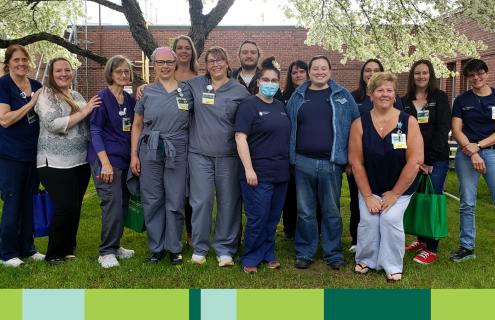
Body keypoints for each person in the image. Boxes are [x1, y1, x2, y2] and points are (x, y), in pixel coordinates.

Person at [286, 55, 359, 270]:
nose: (319, 72)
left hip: (332, 163)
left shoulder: (342, 95)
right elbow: (289, 125)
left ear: (330, 70)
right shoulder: (298, 96)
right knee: (305, 211)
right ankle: (305, 252)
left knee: (332, 211)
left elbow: (356, 127)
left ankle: (333, 253)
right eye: (315, 68)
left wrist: (350, 158)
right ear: (309, 72)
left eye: (323, 68)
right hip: (302, 162)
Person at [349, 72, 423, 282]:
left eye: (389, 90)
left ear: (395, 94)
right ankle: (365, 259)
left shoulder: (408, 122)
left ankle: (392, 265)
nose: (385, 94)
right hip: (371, 186)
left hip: (400, 187)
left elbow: (415, 161)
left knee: (389, 219)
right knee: (369, 219)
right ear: (371, 94)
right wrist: (368, 196)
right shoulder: (359, 124)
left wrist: (394, 194)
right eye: (380, 90)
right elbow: (356, 163)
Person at [187, 47, 250, 266]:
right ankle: (200, 247)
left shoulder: (239, 91)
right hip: (199, 155)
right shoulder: (195, 85)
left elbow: (250, 120)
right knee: (201, 201)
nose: (215, 64)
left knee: (229, 202)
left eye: (219, 60)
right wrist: (146, 86)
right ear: (206, 65)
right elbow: (170, 88)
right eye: (211, 61)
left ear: (227, 63)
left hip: (229, 156)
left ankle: (225, 249)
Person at [35, 57, 101, 265]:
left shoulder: (75, 94)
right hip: (54, 162)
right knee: (64, 207)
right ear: (51, 74)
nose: (64, 74)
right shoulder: (46, 95)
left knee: (74, 207)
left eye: (67, 70)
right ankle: (54, 253)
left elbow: (89, 121)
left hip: (79, 161)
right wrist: (84, 111)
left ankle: (67, 248)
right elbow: (52, 123)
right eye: (58, 71)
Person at [130, 47, 193, 265]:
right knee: (152, 199)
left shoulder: (188, 90)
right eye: (160, 62)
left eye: (169, 62)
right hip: (150, 148)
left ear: (175, 64)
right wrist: (134, 156)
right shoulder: (146, 92)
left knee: (175, 200)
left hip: (177, 149)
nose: (165, 66)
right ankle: (156, 248)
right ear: (154, 65)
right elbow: (137, 125)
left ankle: (174, 247)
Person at [235, 57, 291, 273]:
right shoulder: (249, 105)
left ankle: (268, 253)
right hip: (257, 173)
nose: (270, 83)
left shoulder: (281, 106)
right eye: (266, 79)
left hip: (280, 173)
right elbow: (240, 137)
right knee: (257, 217)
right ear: (258, 82)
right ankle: (250, 256)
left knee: (272, 217)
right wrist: (249, 169)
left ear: (279, 83)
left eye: (274, 80)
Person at [347, 59, 403, 253]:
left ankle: (384, 243)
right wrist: (350, 160)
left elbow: (401, 126)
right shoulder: (353, 97)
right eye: (368, 70)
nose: (371, 73)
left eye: (376, 70)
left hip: (389, 160)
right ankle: (357, 239)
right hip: (360, 160)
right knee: (359, 200)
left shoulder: (395, 100)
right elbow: (348, 126)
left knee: (387, 207)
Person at [88, 55, 136, 268]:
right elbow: (95, 131)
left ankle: (115, 246)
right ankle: (106, 252)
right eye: (119, 72)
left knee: (123, 205)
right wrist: (105, 163)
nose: (124, 75)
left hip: (124, 161)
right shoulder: (101, 98)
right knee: (112, 205)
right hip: (106, 161)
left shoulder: (129, 99)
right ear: (110, 74)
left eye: (126, 71)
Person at [402, 59, 451, 265]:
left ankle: (432, 248)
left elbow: (443, 128)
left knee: (432, 200)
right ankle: (421, 240)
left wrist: (429, 159)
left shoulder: (439, 97)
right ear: (412, 76)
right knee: (416, 199)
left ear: (431, 75)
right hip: (412, 159)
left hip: (435, 159)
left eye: (424, 73)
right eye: (417, 73)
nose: (421, 77)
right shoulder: (404, 100)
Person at [0, 45, 44, 267]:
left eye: (24, 59)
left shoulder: (36, 85)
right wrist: (31, 104)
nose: (21, 63)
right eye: (16, 60)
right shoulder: (3, 85)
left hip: (33, 154)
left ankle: (28, 247)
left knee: (30, 201)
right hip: (10, 156)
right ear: (8, 63)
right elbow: (5, 119)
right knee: (13, 202)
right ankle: (7, 253)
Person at [450, 58, 495, 262]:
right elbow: (456, 130)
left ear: (486, 73)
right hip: (466, 155)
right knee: (467, 203)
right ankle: (467, 247)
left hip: (492, 152)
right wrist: (473, 151)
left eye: (480, 73)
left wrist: (480, 146)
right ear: (467, 78)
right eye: (471, 75)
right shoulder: (462, 100)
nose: (476, 78)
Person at [171, 35, 199, 247]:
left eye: (187, 48)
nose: (183, 51)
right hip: (172, 137)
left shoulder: (200, 76)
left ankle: (191, 234)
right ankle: (172, 233)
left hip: (195, 136)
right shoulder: (166, 74)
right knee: (174, 188)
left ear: (192, 51)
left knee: (192, 189)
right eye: (179, 48)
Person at [281, 60, 309, 239]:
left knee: (308, 193)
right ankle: (289, 228)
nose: (298, 75)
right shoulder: (285, 96)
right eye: (294, 72)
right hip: (288, 150)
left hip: (307, 150)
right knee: (290, 192)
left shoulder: (314, 94)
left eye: (301, 72)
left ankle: (311, 227)